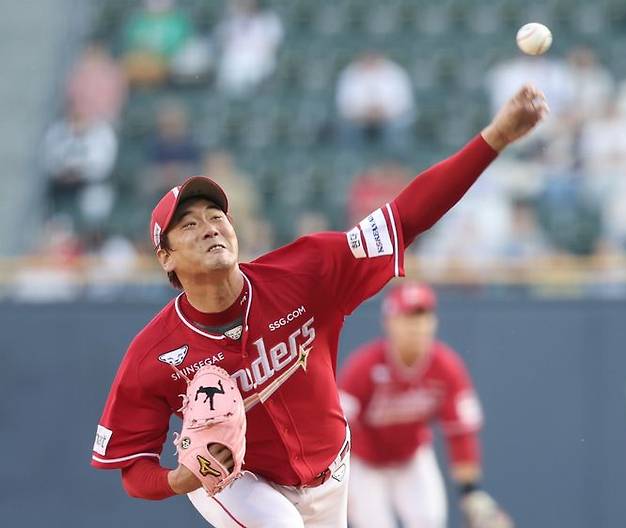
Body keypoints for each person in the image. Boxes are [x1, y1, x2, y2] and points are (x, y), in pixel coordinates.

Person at [90, 85, 547, 527]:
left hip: (332, 467)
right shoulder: (154, 354)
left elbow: (406, 216)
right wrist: (179, 478)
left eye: (216, 216)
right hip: (236, 481)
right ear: (165, 256)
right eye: (188, 225)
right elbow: (133, 469)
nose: (209, 227)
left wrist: (496, 138)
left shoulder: (305, 273)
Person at [338, 281, 511, 528]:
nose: (417, 326)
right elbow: (337, 429)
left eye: (424, 317)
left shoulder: (446, 367)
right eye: (408, 317)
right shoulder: (363, 367)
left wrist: (470, 492)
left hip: (412, 458)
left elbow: (461, 433)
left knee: (429, 521)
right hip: (365, 463)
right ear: (389, 322)